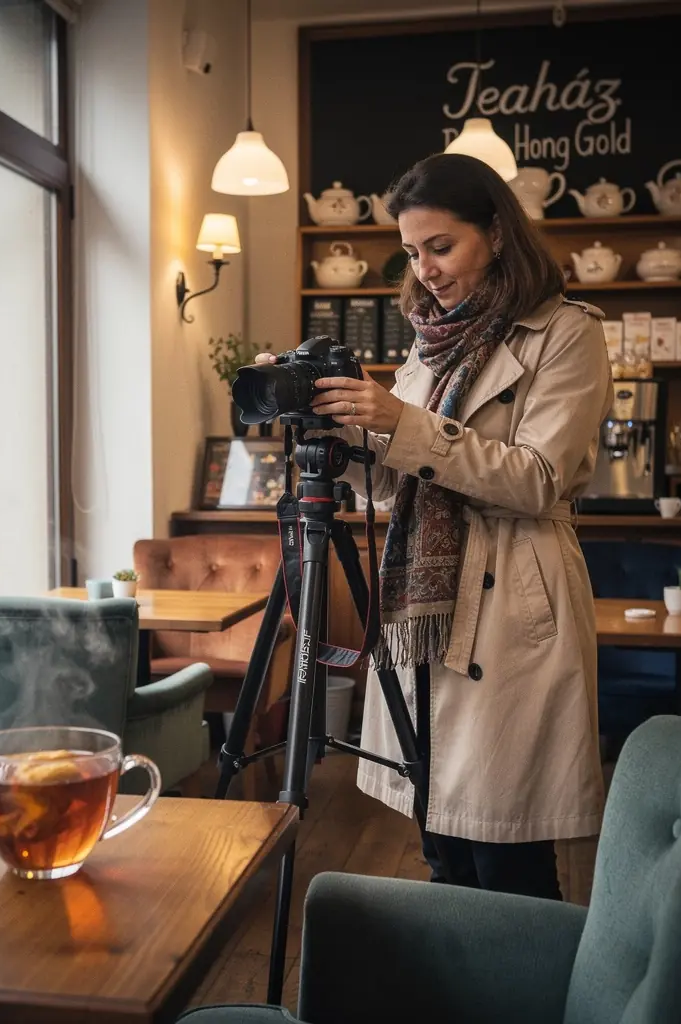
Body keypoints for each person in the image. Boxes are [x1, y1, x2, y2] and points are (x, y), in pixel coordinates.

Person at [256, 152, 613, 900]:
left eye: (442, 246)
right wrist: (344, 437)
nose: (427, 270)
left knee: (507, 860)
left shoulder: (566, 333)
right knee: (442, 845)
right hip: (429, 613)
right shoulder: (428, 340)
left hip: (514, 603)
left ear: (497, 232)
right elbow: (397, 482)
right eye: (414, 252)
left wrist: (402, 423)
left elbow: (537, 478)